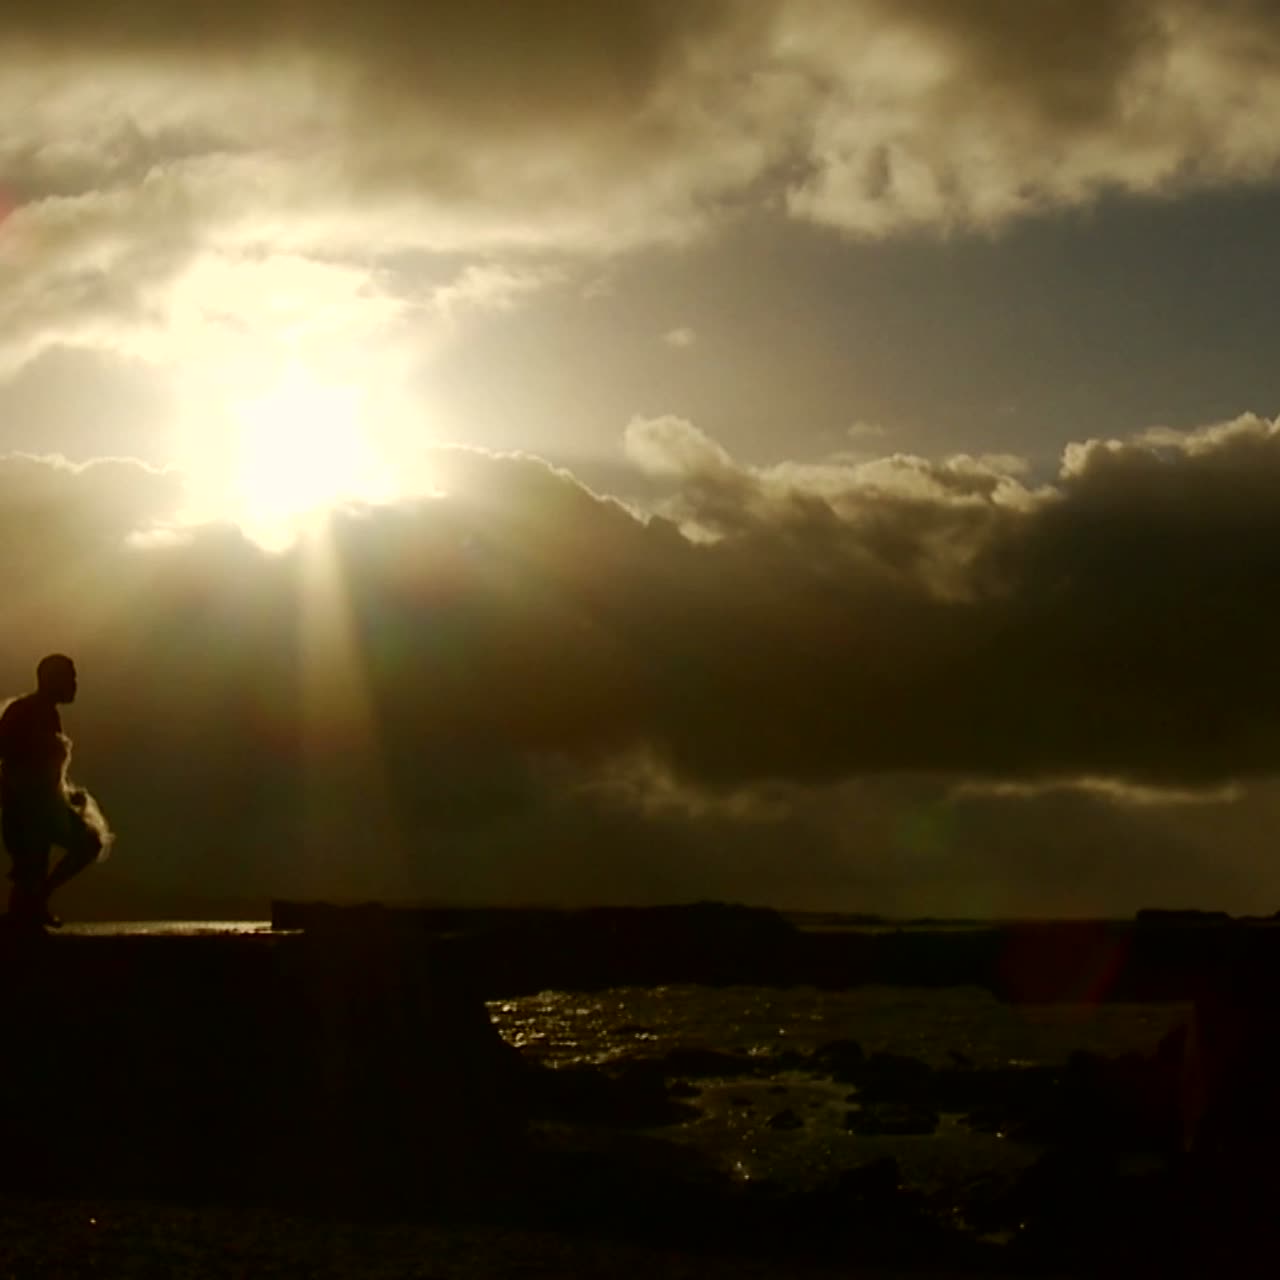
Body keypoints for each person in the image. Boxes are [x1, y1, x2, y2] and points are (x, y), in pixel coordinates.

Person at [0, 654, 110, 929]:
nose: (74, 684)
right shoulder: (23, 711)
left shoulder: (47, 714)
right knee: (32, 866)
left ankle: (35, 903)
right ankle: (30, 908)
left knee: (84, 845)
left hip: (43, 806)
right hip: (26, 809)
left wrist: (66, 794)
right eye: (70, 677)